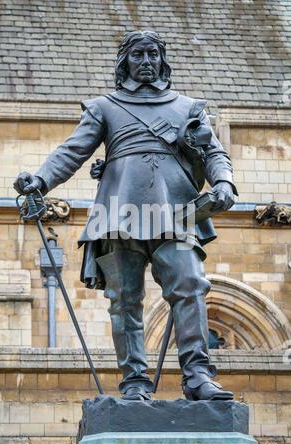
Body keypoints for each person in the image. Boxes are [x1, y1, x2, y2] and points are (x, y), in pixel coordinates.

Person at [14, 31, 238, 401]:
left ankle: (198, 375)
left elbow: (214, 153)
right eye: (138, 55)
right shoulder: (104, 107)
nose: (146, 61)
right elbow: (72, 151)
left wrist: (225, 183)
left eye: (152, 54)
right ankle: (134, 381)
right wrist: (40, 179)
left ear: (162, 60)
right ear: (126, 63)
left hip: (176, 212)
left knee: (190, 285)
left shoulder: (188, 107)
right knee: (125, 299)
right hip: (120, 211)